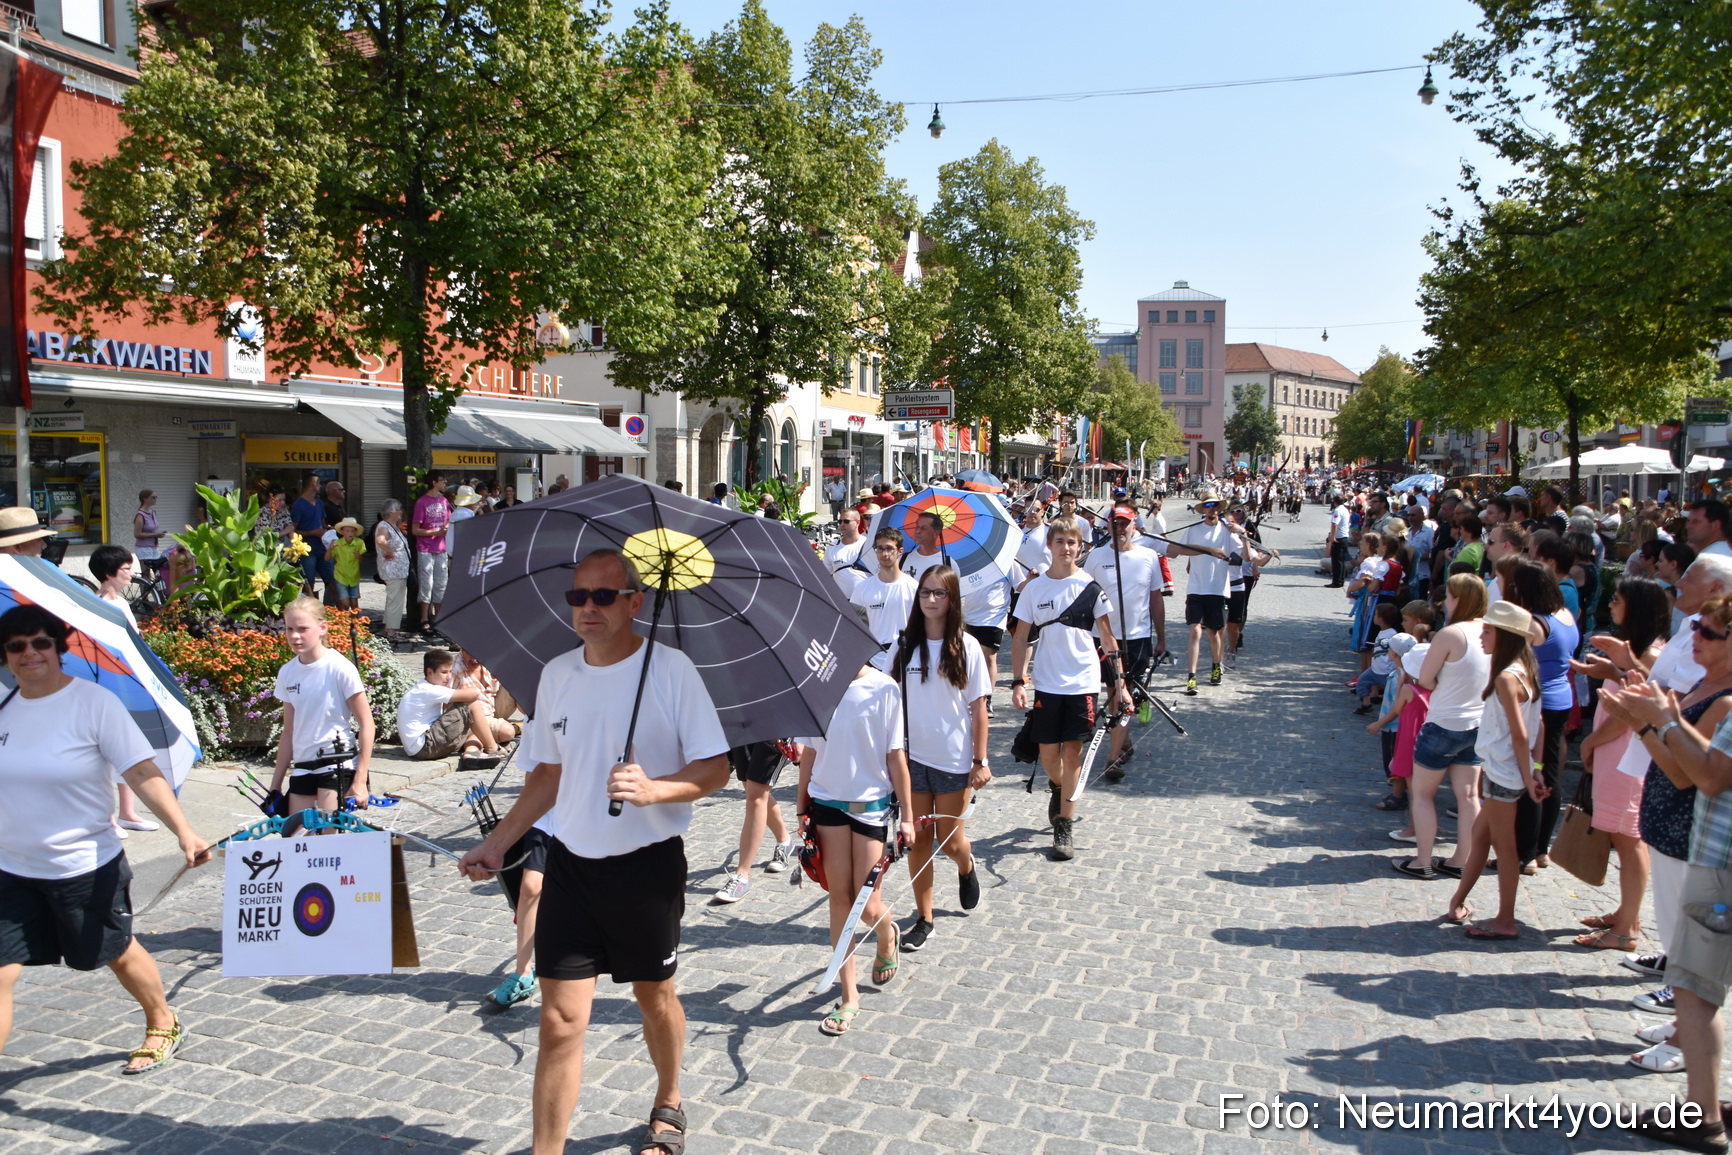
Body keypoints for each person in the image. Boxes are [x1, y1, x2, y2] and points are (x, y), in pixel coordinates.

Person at [457, 550, 731, 1155]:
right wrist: (497, 843)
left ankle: (669, 1097)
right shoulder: (556, 675)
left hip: (647, 869)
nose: (587, 608)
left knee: (653, 997)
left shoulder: (672, 670)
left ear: (636, 602)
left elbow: (717, 767)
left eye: (603, 597)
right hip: (570, 866)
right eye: (577, 597)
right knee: (558, 1024)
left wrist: (658, 788)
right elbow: (546, 776)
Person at [0, 604, 212, 1074]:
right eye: (16, 646)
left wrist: (184, 829)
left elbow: (140, 771)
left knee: (113, 952)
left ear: (59, 648)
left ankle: (162, 1019)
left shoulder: (94, 704)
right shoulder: (4, 706)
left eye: (40, 643)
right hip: (11, 869)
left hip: (82, 865)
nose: (29, 653)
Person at [1598, 630, 1732, 1150]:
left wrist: (1663, 721)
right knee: (1696, 989)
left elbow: (1711, 779)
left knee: (1696, 993)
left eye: (1711, 630)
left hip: (1718, 863)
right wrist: (1648, 724)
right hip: (1708, 856)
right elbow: (1682, 774)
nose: (1694, 635)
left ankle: (1704, 1122)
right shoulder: (1708, 687)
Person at [795, 656, 916, 1036]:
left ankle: (886, 934)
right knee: (840, 900)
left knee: (867, 904)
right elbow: (809, 753)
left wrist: (909, 816)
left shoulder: (884, 688)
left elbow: (895, 755)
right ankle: (849, 996)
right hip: (826, 804)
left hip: (871, 808)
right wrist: (801, 806)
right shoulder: (817, 685)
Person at [1009, 516, 1131, 860]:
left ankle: (1064, 827)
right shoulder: (1034, 589)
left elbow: (1108, 639)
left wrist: (1120, 686)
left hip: (1084, 682)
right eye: (1060, 541)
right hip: (1047, 682)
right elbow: (1020, 638)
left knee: (1071, 753)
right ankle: (1059, 786)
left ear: (1081, 547)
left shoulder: (1091, 587)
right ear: (1049, 545)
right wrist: (1018, 680)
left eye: (1072, 543)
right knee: (1048, 755)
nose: (1066, 548)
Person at [891, 565, 990, 950]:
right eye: (925, 593)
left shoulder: (966, 647)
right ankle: (924, 917)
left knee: (950, 843)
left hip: (954, 761)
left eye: (939, 593)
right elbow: (886, 693)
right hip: (912, 761)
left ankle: (966, 866)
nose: (931, 600)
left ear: (952, 600)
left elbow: (979, 708)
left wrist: (980, 761)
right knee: (918, 842)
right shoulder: (905, 646)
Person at [1572, 577, 1671, 952]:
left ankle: (1626, 930)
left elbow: (1628, 712)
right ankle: (1626, 914)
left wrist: (1592, 743)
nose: (1611, 605)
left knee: (1628, 839)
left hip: (1625, 755)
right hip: (1619, 752)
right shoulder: (1639, 652)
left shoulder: (1649, 656)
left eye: (1617, 600)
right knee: (1624, 836)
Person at [1441, 600, 1547, 939]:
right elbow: (1538, 726)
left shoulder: (1505, 676)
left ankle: (1506, 920)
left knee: (1505, 850)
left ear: (1504, 635)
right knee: (1480, 837)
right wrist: (1536, 768)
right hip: (1505, 771)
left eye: (1487, 630)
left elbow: (1521, 734)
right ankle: (1457, 901)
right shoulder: (1524, 669)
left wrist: (1530, 778)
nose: (1482, 635)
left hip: (1504, 774)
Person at [1406, 574, 1491, 870]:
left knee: (1422, 795)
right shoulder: (1493, 632)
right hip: (1478, 723)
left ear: (1459, 599)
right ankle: (1461, 860)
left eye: (1449, 598)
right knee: (1469, 796)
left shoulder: (1451, 634)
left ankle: (1423, 860)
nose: (1443, 605)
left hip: (1444, 722)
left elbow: (1426, 679)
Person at [269, 597, 373, 813]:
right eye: (289, 629)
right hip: (303, 765)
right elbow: (289, 731)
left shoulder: (339, 668)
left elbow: (367, 725)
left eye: (303, 629)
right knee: (297, 838)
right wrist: (275, 784)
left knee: (329, 837)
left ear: (322, 627)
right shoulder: (287, 672)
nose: (295, 636)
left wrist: (360, 780)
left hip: (337, 761)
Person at [1083, 504, 1160, 776]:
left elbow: (1155, 598)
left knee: (1126, 695)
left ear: (1134, 524)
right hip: (1102, 637)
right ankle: (1117, 751)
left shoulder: (1149, 556)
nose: (1120, 528)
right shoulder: (1096, 556)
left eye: (1124, 523)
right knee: (1115, 693)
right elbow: (1084, 597)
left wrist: (1160, 636)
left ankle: (1116, 750)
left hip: (1137, 637)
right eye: (1115, 523)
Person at [1165, 490, 1237, 694]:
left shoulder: (1226, 530)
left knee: (1214, 634)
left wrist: (1239, 532)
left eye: (1214, 505)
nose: (1211, 509)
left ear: (1220, 508)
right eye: (1207, 506)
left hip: (1217, 588)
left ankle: (1216, 666)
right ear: (1202, 509)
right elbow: (1174, 550)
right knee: (1195, 631)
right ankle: (1192, 677)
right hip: (1196, 588)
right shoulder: (1194, 529)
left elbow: (1244, 555)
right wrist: (1205, 550)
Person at [713, 741, 797, 904]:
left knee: (756, 795)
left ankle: (741, 876)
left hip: (774, 727)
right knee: (751, 788)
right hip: (741, 722)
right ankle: (785, 840)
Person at [398, 649, 515, 762]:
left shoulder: (425, 687)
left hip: (422, 746)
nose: (449, 677)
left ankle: (472, 752)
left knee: (475, 724)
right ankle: (493, 749)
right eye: (444, 672)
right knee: (470, 704)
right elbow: (473, 694)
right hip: (426, 746)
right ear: (429, 672)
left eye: (450, 671)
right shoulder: (428, 689)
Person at [849, 528, 917, 672]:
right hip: (873, 661)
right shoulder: (862, 588)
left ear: (900, 551)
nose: (885, 554)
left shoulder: (913, 587)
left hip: (906, 659)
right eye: (880, 548)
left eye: (889, 549)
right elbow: (854, 626)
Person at [412, 473, 452, 635]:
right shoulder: (422, 502)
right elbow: (415, 529)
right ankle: (424, 618)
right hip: (425, 548)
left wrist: (446, 528)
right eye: (442, 480)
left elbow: (448, 521)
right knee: (426, 583)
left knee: (441, 584)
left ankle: (439, 617)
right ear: (434, 482)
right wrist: (436, 532)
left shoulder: (444, 501)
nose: (445, 482)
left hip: (441, 548)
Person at [375, 500, 411, 643]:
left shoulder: (393, 526)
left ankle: (388, 628)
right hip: (393, 571)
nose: (400, 512)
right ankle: (391, 631)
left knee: (394, 599)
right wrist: (389, 551)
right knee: (395, 600)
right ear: (390, 512)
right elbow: (380, 540)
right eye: (398, 510)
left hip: (398, 571)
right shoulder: (384, 526)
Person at [290, 473, 328, 596]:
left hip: (322, 548)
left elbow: (323, 523)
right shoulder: (298, 505)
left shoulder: (320, 503)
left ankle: (334, 611)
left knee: (332, 580)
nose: (320, 486)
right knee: (309, 583)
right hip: (307, 550)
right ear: (313, 484)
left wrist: (327, 530)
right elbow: (292, 530)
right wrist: (311, 532)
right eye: (319, 483)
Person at [824, 507, 868, 601]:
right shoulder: (832, 547)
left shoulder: (868, 544)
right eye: (840, 522)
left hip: (865, 600)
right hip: (842, 602)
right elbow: (824, 576)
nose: (842, 525)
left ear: (857, 522)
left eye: (846, 521)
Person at [327, 518, 367, 612]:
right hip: (341, 576)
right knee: (345, 603)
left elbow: (363, 560)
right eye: (347, 531)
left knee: (354, 604)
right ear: (342, 532)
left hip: (354, 576)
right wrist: (330, 548)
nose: (350, 533)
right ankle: (344, 623)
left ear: (355, 532)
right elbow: (327, 558)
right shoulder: (337, 544)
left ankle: (355, 625)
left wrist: (359, 557)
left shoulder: (359, 543)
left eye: (352, 531)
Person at [132, 491, 162, 568]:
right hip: (144, 548)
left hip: (154, 546)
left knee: (157, 570)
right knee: (146, 572)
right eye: (153, 497)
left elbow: (153, 529)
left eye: (156, 497)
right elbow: (137, 534)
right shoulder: (140, 515)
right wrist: (156, 535)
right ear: (145, 499)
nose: (155, 499)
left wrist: (159, 534)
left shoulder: (153, 513)